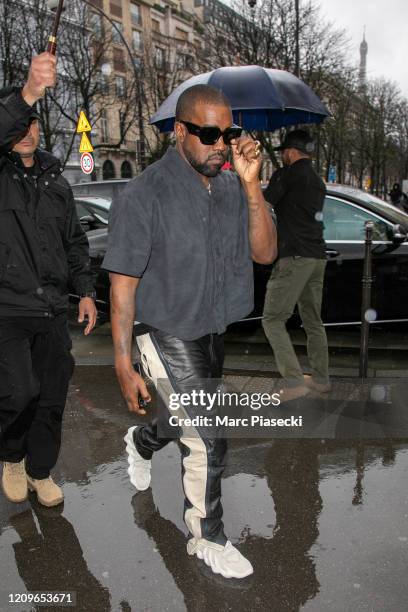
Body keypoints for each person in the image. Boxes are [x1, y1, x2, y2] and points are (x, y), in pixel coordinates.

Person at [102, 84, 277, 579]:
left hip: (211, 326)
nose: (221, 144)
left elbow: (265, 253)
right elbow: (122, 285)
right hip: (163, 329)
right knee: (209, 437)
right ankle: (207, 536)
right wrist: (121, 361)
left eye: (229, 133)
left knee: (185, 419)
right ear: (180, 131)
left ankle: (141, 441)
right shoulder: (144, 193)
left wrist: (251, 185)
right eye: (208, 133)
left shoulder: (230, 185)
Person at [0, 53, 97, 507]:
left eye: (34, 123)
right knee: (20, 392)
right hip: (9, 310)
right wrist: (28, 94)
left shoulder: (58, 182)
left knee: (52, 397)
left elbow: (76, 242)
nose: (28, 131)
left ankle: (41, 471)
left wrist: (87, 293)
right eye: (20, 123)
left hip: (54, 309)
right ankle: (12, 456)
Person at [262, 129, 329, 402]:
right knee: (313, 321)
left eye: (284, 153)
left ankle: (293, 381)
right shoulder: (317, 181)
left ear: (290, 151)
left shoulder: (286, 175)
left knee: (272, 319)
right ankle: (321, 379)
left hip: (295, 257)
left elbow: (263, 205)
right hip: (317, 257)